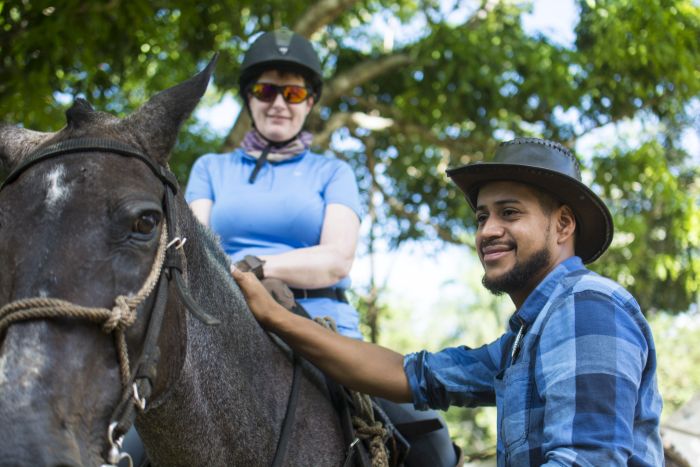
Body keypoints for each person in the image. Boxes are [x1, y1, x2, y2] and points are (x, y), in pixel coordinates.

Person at [233, 137, 664, 466]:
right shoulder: (520, 343)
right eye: (482, 217)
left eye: (509, 213)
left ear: (563, 224)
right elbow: (410, 375)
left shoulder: (586, 306)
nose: (487, 230)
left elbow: (586, 461)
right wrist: (276, 317)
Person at [186, 28, 458, 465]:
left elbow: (335, 259)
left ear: (309, 102)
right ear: (249, 98)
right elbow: (193, 250)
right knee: (126, 438)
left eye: (292, 93)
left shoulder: (332, 171)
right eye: (266, 90)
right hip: (220, 320)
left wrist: (254, 267)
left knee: (433, 443)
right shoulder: (210, 168)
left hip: (323, 323)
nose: (278, 103)